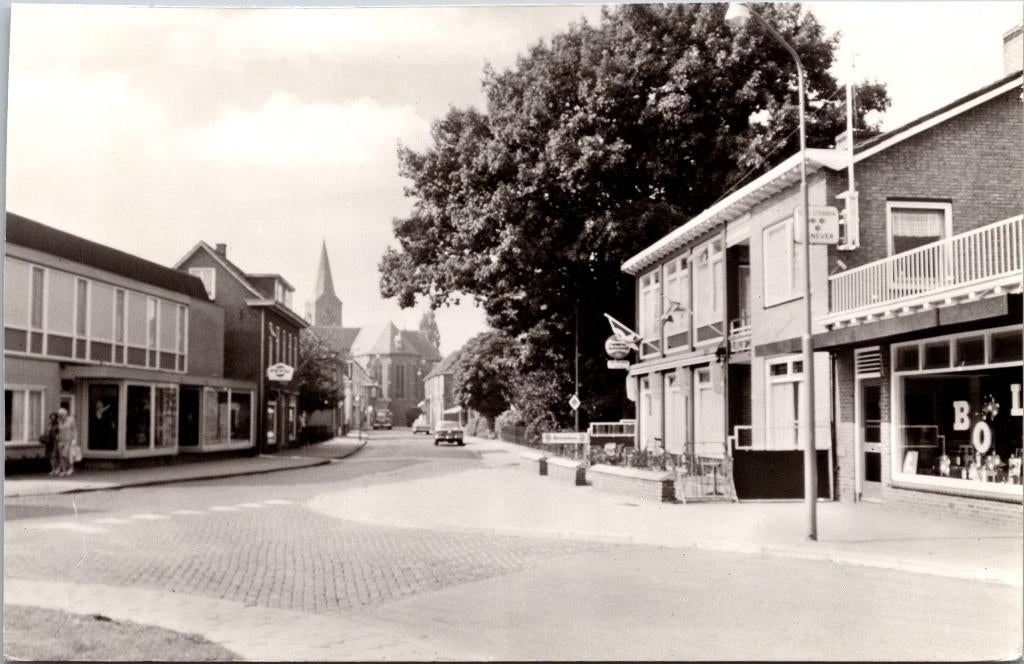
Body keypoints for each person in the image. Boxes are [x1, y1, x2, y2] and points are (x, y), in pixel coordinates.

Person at [55, 408, 78, 477]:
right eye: (60, 415)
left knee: (67, 455)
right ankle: (64, 470)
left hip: (69, 440)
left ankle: (71, 468)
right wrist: (58, 436)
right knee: (61, 456)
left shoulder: (71, 420)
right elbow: (59, 430)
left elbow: (74, 430)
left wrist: (75, 439)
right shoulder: (59, 421)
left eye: (62, 415)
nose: (61, 417)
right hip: (61, 440)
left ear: (66, 414)